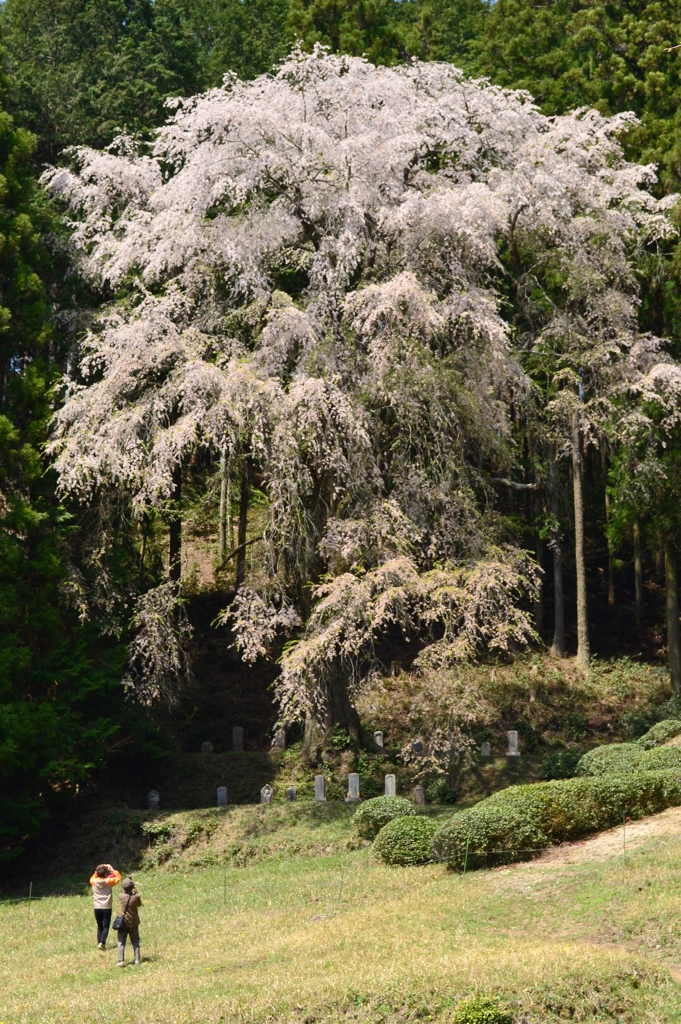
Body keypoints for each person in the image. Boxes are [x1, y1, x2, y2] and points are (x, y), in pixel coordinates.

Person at [89, 862, 122, 951]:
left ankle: (99, 942)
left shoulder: (93, 882)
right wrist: (112, 869)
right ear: (105, 874)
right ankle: (102, 943)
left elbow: (93, 876)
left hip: (96, 907)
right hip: (106, 907)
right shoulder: (108, 882)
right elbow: (119, 878)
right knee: (106, 926)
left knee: (99, 926)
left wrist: (99, 869)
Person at [116, 876, 142, 966]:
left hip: (123, 922)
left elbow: (123, 892)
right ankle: (137, 959)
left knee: (121, 941)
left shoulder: (121, 896)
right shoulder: (136, 897)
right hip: (133, 922)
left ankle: (121, 961)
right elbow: (139, 904)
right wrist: (136, 892)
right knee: (135, 941)